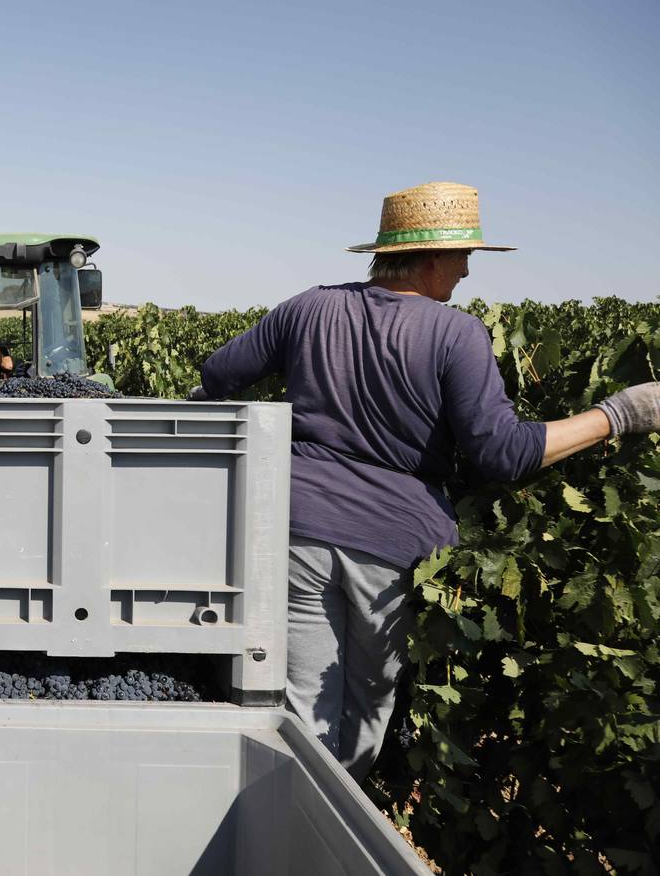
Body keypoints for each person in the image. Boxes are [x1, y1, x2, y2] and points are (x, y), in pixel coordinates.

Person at [198, 181, 660, 779]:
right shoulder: (456, 333)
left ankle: (286, 822)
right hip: (392, 546)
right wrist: (619, 414)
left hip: (297, 532)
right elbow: (503, 454)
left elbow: (218, 375)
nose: (468, 272)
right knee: (367, 712)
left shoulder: (307, 306)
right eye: (465, 257)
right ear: (434, 257)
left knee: (302, 709)